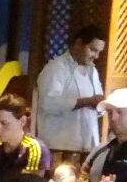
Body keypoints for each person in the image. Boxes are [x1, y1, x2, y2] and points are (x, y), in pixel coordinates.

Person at [36, 24, 106, 155]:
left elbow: (98, 106)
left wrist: (102, 104)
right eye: (93, 50)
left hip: (88, 147)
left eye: (99, 52)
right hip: (59, 147)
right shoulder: (56, 68)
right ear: (79, 43)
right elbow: (48, 103)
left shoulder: (93, 71)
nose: (96, 56)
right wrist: (85, 102)